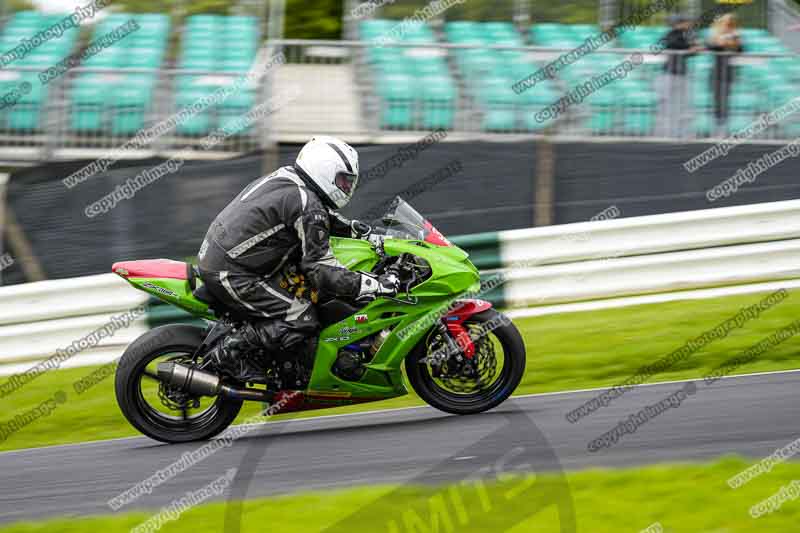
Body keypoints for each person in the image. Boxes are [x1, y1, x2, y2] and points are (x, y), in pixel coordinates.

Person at [196, 136, 399, 378]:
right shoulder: (307, 204)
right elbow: (321, 270)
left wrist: (357, 230)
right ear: (324, 171)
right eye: (343, 180)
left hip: (228, 259)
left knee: (303, 295)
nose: (346, 187)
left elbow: (316, 218)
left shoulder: (288, 179)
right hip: (233, 273)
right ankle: (228, 353)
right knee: (302, 316)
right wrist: (373, 284)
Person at [657, 14, 702, 138]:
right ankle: (666, 132)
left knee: (683, 104)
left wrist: (694, 48)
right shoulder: (671, 34)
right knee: (668, 104)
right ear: (679, 23)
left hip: (681, 73)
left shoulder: (686, 35)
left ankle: (683, 132)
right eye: (686, 22)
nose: (689, 24)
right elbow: (671, 43)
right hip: (669, 74)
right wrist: (690, 47)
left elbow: (693, 51)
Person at [706, 13, 744, 135]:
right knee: (717, 99)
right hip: (716, 71)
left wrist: (733, 41)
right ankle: (716, 127)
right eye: (726, 23)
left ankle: (724, 128)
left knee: (726, 99)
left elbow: (740, 49)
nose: (728, 25)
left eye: (730, 23)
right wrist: (721, 42)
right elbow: (710, 47)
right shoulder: (714, 33)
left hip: (727, 71)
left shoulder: (735, 34)